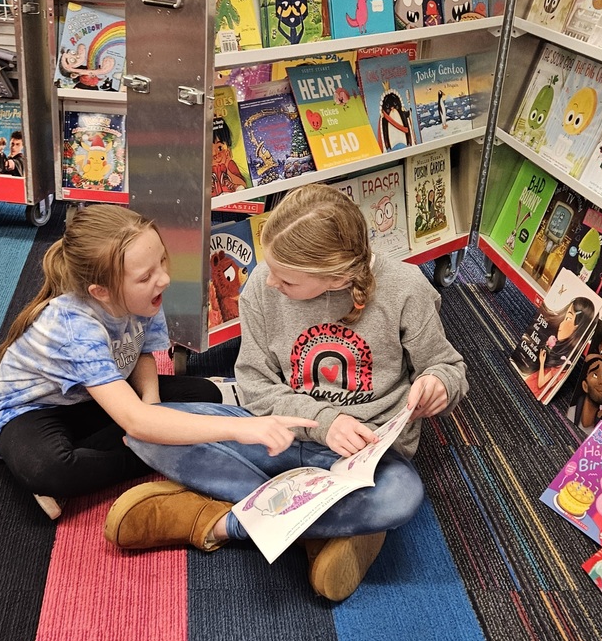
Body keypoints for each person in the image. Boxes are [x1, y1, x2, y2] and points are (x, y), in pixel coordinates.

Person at [104, 183, 469, 601]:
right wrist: (323, 423)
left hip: (362, 460)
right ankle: (329, 528)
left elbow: (449, 368)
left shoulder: (406, 289)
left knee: (402, 498)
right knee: (149, 430)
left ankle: (219, 520)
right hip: (277, 435)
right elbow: (256, 386)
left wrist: (439, 385)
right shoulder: (263, 284)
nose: (271, 282)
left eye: (288, 280)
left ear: (339, 277)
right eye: (270, 267)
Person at [0, 204, 314, 520]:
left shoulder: (143, 297)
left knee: (205, 396)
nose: (164, 279)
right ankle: (138, 445)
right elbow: (138, 420)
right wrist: (238, 428)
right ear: (101, 292)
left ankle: (143, 439)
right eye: (146, 276)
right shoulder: (74, 328)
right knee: (52, 469)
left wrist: (152, 403)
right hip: (35, 413)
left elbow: (140, 352)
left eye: (162, 263)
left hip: (98, 394)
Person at [524, 296, 597, 397]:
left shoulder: (563, 363)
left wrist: (541, 362)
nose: (561, 324)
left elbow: (541, 384)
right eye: (565, 317)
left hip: (534, 392)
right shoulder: (558, 349)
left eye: (568, 318)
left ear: (578, 327)